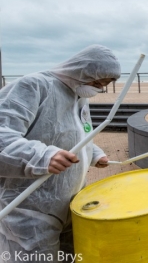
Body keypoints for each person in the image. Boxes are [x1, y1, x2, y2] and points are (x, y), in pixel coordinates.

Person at [0, 45, 121, 262]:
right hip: (29, 208)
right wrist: (41, 157)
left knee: (69, 255)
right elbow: (2, 133)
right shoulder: (33, 86)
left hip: (69, 202)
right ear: (82, 70)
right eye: (96, 83)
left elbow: (78, 135)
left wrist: (95, 154)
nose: (98, 89)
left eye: (103, 85)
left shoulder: (79, 97)